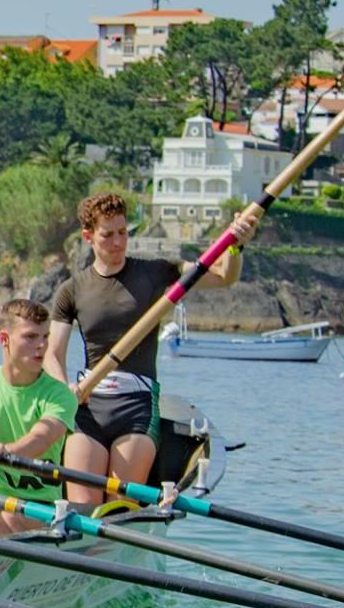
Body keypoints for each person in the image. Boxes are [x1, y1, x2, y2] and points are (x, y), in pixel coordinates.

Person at [44, 192, 254, 507]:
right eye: (107, 235)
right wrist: (65, 392)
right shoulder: (72, 289)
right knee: (83, 505)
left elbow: (223, 276)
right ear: (89, 237)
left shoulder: (156, 273)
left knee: (118, 503)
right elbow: (52, 354)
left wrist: (236, 245)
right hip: (88, 406)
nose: (117, 242)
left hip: (136, 407)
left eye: (122, 233)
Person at [0, 297, 77, 535]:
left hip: (39, 505)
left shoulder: (60, 394)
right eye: (31, 337)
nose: (42, 346)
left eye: (45, 337)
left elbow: (41, 437)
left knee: (8, 520)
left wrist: (6, 451)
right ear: (4, 339)